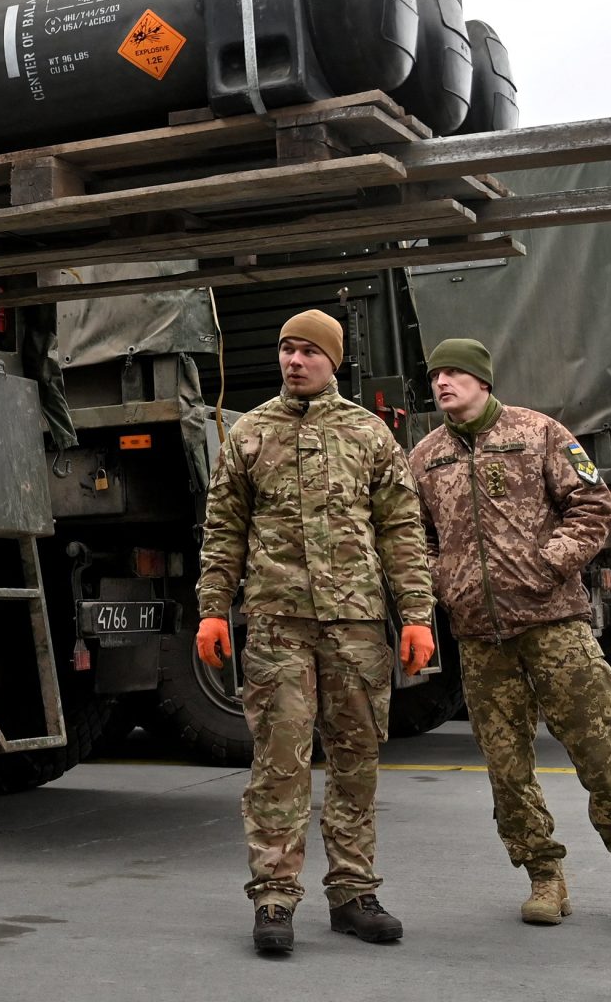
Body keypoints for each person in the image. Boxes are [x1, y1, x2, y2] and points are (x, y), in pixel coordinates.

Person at [195, 308, 436, 956]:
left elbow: (402, 530)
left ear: (333, 360)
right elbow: (222, 533)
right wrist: (213, 607)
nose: (293, 360)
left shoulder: (369, 435)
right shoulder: (249, 435)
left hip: (355, 625)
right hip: (277, 625)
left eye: (307, 351)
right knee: (279, 765)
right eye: (286, 350)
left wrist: (417, 615)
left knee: (356, 762)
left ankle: (354, 892)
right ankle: (273, 898)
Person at [406, 338, 611, 931]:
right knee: (506, 766)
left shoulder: (539, 433)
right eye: (436, 375)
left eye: (455, 373)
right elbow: (412, 537)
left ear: (483, 381)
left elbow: (593, 504)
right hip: (479, 635)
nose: (443, 382)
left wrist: (549, 562)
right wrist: (442, 582)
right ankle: (543, 875)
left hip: (554, 626)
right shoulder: (424, 457)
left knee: (599, 749)